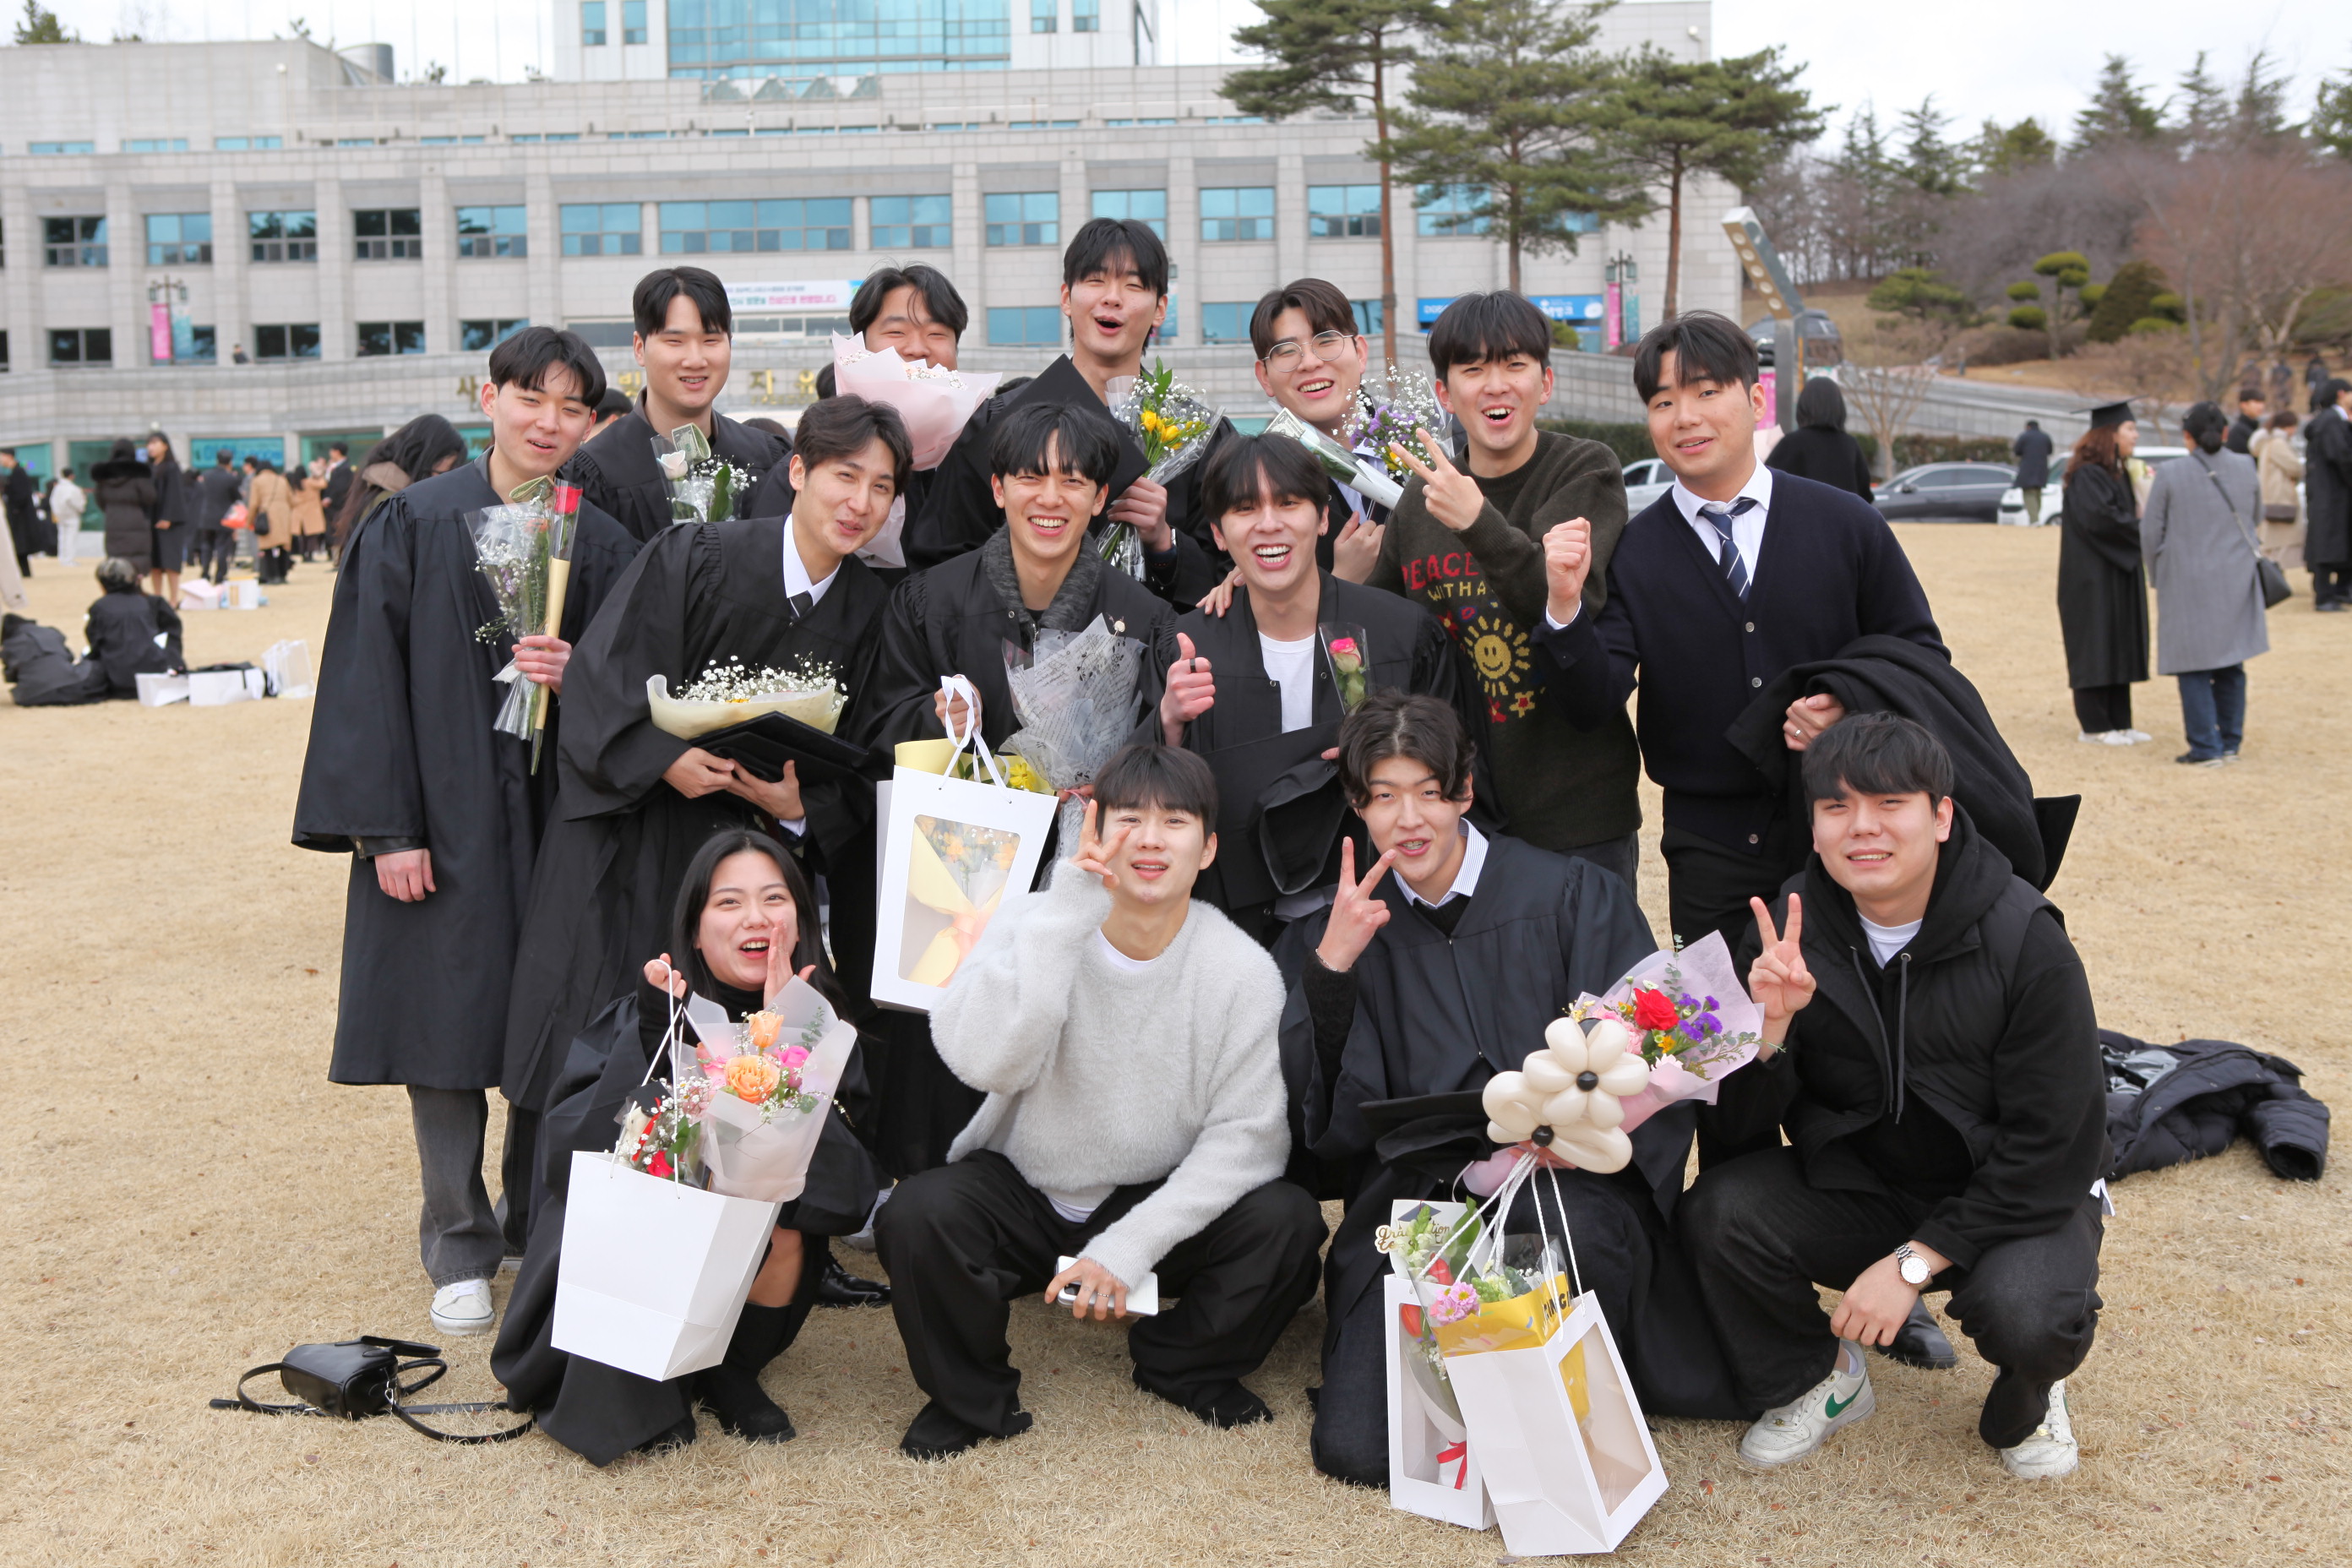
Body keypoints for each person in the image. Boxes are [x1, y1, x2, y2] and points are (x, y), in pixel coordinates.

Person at [1287, 692, 1741, 1485]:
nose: (1409, 819)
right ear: (1358, 807)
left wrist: (1583, 1138)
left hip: (1573, 1190)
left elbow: (1643, 1057)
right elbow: (1331, 1123)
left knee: (1574, 1242)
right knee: (1358, 1449)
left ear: (1465, 791)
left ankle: (1560, 1407)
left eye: (1430, 792)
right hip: (1423, 1203)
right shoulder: (1346, 928)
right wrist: (1332, 972)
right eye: (1384, 796)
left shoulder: (1568, 893)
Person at [291, 327, 640, 1338]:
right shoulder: (413, 522)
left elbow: (635, 685)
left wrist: (582, 674)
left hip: (558, 822)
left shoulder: (602, 540)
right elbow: (364, 679)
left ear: (591, 422)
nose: (549, 422)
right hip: (440, 817)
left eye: (572, 407)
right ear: (488, 398)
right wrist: (386, 830)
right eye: (530, 398)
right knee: (441, 1029)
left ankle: (535, 1220)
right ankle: (456, 1239)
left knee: (555, 1020)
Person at [1683, 714, 2107, 1480]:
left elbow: (2053, 1148)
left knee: (2030, 1311)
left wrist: (1912, 1265)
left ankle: (2033, 1395)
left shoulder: (2026, 935)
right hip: (1868, 1182)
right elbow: (1737, 1135)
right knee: (1718, 1211)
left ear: (1940, 816)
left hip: (2009, 1196)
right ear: (1814, 826)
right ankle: (1821, 1375)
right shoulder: (1787, 931)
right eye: (1837, 807)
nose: (1863, 828)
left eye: (1890, 804)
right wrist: (1769, 1034)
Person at [875, 747, 1327, 1460]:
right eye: (1130, 819)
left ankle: (1183, 1363)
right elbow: (986, 1063)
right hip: (1026, 1189)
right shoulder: (1029, 920)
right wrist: (1064, 919)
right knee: (918, 1215)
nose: (1150, 840)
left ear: (1208, 848)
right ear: (1093, 830)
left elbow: (1248, 1140)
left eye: (1174, 822)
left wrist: (1127, 1249)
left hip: (1151, 1197)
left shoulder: (1242, 969)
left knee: (1288, 1223)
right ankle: (970, 1398)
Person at [504, 395, 906, 1185]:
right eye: (845, 475)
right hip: (636, 836)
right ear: (799, 472)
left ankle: (743, 1219)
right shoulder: (697, 554)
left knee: (743, 1042)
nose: (860, 502)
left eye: (883, 487)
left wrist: (801, 809)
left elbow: (868, 757)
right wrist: (663, 757)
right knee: (598, 1015)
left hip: (753, 859)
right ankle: (551, 1214)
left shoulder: (873, 610)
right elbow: (601, 677)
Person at [1529, 309, 1944, 957]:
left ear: (1755, 401)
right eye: (1663, 402)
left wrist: (1849, 705)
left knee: (1854, 1004)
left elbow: (1922, 656)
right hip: (1708, 844)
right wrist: (1563, 605)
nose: (1685, 417)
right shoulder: (1633, 551)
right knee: (1724, 1016)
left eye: (1706, 392)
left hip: (1846, 822)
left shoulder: (1847, 524)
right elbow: (1592, 700)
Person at [852, 402, 1182, 1174]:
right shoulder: (931, 601)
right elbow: (874, 726)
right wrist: (934, 717)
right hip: (962, 870)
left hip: (1086, 868)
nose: (1051, 497)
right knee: (949, 1036)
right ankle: (931, 1185)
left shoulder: (1141, 618)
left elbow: (1168, 758)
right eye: (1032, 476)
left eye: (1074, 480)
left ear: (1101, 498)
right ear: (998, 488)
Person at [493, 830, 885, 1462]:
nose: (756, 918)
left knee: (782, 1212)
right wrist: (659, 1036)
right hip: (637, 1258)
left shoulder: (824, 1028)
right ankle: (640, 1381)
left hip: (761, 1261)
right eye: (729, 902)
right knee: (656, 1174)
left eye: (774, 898)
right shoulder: (649, 1013)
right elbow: (575, 1158)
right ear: (695, 932)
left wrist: (784, 1038)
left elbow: (845, 1194)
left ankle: (732, 1372)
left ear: (801, 918)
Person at [1153, 433, 1487, 946]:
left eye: (1289, 503)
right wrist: (1170, 722)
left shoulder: (1401, 633)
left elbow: (1457, 771)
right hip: (1237, 935)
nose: (1269, 523)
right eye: (1245, 508)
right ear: (1218, 533)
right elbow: (1146, 799)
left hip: (1390, 924)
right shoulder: (1189, 648)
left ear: (1323, 517)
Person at [1369, 290, 1645, 888]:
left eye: (1515, 365)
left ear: (1545, 383)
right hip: (1461, 820)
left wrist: (1477, 522)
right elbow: (1380, 637)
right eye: (1473, 370)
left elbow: (1564, 606)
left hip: (1580, 815)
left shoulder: (1585, 469)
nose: (1496, 385)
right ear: (1445, 394)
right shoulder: (1422, 500)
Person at [905, 218, 1222, 607]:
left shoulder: (1198, 436)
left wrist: (1165, 543)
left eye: (1133, 285)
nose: (1112, 298)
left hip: (1160, 642)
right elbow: (939, 560)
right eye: (1095, 280)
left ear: (1160, 309)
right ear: (1066, 298)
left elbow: (1230, 576)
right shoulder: (997, 421)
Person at [745, 262, 973, 575]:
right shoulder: (814, 464)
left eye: (936, 334)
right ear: (860, 347)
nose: (917, 348)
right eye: (896, 332)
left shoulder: (978, 452)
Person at [563, 265, 790, 545]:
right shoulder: (594, 472)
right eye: (675, 341)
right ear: (639, 348)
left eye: (710, 340)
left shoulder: (768, 458)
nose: (695, 360)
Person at [2144, 401, 2268, 765]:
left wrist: (2158, 573)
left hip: (2186, 579)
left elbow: (2150, 532)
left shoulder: (2170, 473)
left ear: (2187, 436)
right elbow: (2256, 516)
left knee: (2192, 665)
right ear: (2226, 432)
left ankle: (2205, 746)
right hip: (2237, 577)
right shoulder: (2246, 466)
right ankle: (2229, 742)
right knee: (2232, 661)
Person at [1249, 278, 1386, 580]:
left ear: (1360, 353)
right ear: (1265, 377)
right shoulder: (1257, 480)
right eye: (1287, 351)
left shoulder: (1431, 441)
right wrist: (1345, 580)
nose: (1309, 363)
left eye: (1325, 341)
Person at [2057, 403, 2153, 739]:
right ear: (2110, 434)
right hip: (2091, 578)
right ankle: (2095, 726)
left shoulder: (2118, 472)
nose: (2136, 436)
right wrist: (2145, 528)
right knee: (2096, 645)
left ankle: (2120, 722)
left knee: (2120, 643)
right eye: (2130, 429)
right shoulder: (2088, 474)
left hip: (2117, 571)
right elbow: (2101, 521)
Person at [333, 416, 471, 552]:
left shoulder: (384, 491)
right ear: (422, 459)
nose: (445, 483)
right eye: (443, 473)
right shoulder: (392, 505)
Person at [83, 555, 183, 695]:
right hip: (155, 673)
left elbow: (95, 642)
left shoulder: (100, 607)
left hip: (115, 679)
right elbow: (173, 638)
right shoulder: (155, 603)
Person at [1766, 378, 1875, 500]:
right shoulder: (1850, 445)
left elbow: (1767, 485)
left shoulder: (1791, 443)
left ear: (1803, 406)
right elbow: (1866, 496)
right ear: (1839, 408)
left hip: (1802, 512)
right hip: (1844, 512)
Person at [2300, 377, 2352, 611]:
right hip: (2332, 493)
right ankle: (2325, 595)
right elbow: (2342, 457)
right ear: (2341, 394)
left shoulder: (2333, 420)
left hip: (2331, 492)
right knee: (2327, 542)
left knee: (2335, 541)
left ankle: (2340, 590)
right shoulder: (2331, 421)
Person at [90, 440, 157, 578]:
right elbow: (150, 497)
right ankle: (136, 584)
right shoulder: (139, 472)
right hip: (136, 520)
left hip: (113, 521)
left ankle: (118, 584)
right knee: (137, 560)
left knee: (116, 561)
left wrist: (111, 510)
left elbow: (99, 500)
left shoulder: (103, 475)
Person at [2254, 409, 2306, 569]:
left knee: (2271, 542)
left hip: (2270, 499)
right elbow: (2295, 467)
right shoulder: (2278, 443)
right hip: (2281, 499)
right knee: (2284, 542)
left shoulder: (2268, 442)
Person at [144, 433, 190, 602]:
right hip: (151, 520)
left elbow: (175, 494)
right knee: (155, 564)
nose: (151, 447)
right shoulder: (148, 468)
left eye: (155, 443)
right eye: (149, 443)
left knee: (171, 563)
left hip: (170, 523)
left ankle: (173, 599)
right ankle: (158, 598)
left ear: (165, 446)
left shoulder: (172, 467)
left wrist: (168, 517)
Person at [190, 450, 241, 585]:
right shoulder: (231, 478)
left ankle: (205, 573)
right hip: (224, 518)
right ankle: (220, 575)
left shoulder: (206, 475)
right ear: (230, 462)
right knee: (222, 547)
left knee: (206, 546)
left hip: (206, 517)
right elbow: (237, 498)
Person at [248, 457, 296, 585]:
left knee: (268, 548)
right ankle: (283, 575)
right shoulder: (282, 480)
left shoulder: (257, 481)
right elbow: (292, 500)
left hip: (267, 515)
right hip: (284, 515)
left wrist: (249, 521)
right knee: (284, 547)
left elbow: (254, 503)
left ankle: (271, 576)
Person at [3, 449, 45, 576]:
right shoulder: (16, 471)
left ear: (9, 457)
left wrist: (14, 508)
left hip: (19, 516)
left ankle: (24, 572)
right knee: (19, 545)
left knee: (20, 544)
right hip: (18, 514)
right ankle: (23, 572)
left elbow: (21, 495)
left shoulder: (18, 472)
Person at [2010, 421, 2055, 526]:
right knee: (2037, 494)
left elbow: (2017, 451)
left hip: (2027, 469)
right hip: (2042, 469)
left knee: (2028, 494)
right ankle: (2036, 518)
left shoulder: (2025, 436)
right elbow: (2050, 451)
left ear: (2028, 427)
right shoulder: (2045, 437)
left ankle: (2034, 520)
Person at [291, 459, 329, 561]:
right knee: (312, 536)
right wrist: (319, 475)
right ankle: (310, 555)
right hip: (311, 511)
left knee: (303, 536)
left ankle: (303, 554)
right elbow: (323, 484)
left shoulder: (295, 484)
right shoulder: (309, 482)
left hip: (299, 512)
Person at [47, 466, 86, 567]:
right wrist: (80, 508)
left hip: (60, 516)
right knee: (71, 538)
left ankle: (62, 558)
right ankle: (69, 559)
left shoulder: (57, 488)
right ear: (72, 476)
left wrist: (56, 512)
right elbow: (74, 502)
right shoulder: (74, 489)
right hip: (72, 516)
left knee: (62, 537)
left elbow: (52, 501)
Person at [320, 439, 355, 528]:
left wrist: (329, 498)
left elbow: (340, 487)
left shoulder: (345, 469)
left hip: (337, 507)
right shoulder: (334, 467)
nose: (330, 453)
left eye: (331, 451)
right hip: (332, 508)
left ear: (337, 452)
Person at [2226, 389, 2266, 455]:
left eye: (2262, 402)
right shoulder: (2238, 431)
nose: (2261, 406)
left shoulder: (2255, 428)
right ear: (2243, 404)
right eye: (2256, 402)